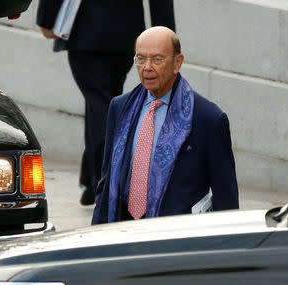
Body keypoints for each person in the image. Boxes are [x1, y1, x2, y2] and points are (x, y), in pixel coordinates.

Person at [92, 27, 239, 224]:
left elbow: (226, 199)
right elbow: (107, 182)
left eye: (157, 59)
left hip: (175, 239)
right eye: (141, 59)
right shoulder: (120, 108)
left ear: (177, 62)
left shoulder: (208, 119)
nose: (147, 67)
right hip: (121, 228)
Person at [37, 0, 176, 205]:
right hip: (126, 31)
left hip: (86, 29)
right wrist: (165, 36)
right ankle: (91, 181)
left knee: (100, 104)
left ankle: (109, 183)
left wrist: (46, 19)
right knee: (102, 101)